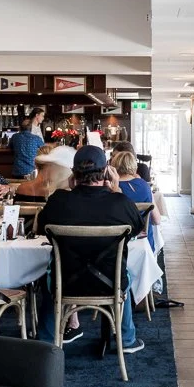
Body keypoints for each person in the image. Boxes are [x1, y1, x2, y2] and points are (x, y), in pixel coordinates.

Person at [38, 146, 145, 355]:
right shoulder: (120, 203)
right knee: (126, 275)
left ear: (74, 173)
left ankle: (46, 341)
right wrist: (116, 190)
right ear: (106, 171)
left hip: (66, 284)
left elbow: (40, 226)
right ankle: (127, 339)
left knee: (49, 275)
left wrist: (69, 190)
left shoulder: (59, 201)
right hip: (111, 284)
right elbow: (139, 227)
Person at [9, 114, 44, 178]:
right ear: (31, 128)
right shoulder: (36, 138)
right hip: (32, 172)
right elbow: (44, 149)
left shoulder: (15, 137)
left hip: (18, 172)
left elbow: (9, 147)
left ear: (20, 128)